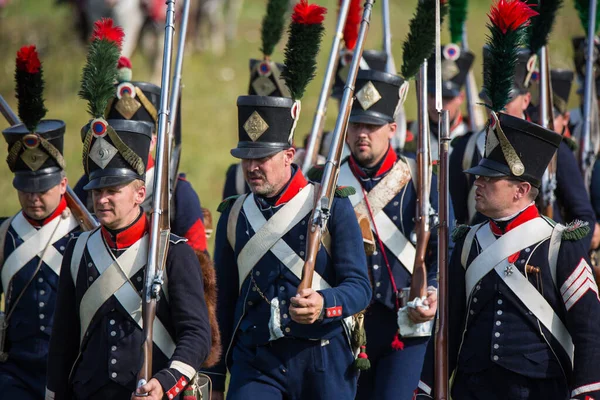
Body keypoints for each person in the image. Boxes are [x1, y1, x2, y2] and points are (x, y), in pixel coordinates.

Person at [206, 3, 372, 397]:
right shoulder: (234, 215)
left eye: (262, 158)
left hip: (324, 357)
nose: (252, 168)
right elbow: (225, 300)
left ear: (289, 155)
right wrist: (213, 377)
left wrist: (323, 303)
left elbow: (359, 286)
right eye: (246, 159)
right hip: (256, 359)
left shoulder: (330, 203)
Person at [45, 22, 213, 400]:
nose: (102, 199)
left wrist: (168, 381)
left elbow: (197, 334)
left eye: (113, 191)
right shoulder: (77, 251)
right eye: (97, 190)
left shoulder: (173, 251)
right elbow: (63, 342)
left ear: (140, 193)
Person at [417, 110, 600, 400]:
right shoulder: (468, 243)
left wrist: (586, 393)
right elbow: (448, 326)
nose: (478, 183)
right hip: (473, 389)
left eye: (490, 179)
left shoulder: (559, 244)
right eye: (479, 177)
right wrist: (426, 389)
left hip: (539, 391)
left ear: (521, 190)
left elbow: (589, 330)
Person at [311, 68, 453, 399]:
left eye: (372, 126)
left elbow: (444, 248)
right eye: (356, 125)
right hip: (341, 326)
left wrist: (431, 290)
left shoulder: (422, 177)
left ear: (391, 128)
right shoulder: (321, 182)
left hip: (405, 323)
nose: (363, 134)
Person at [0, 44, 83, 399]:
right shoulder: (4, 234)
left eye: (44, 188)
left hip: (69, 372)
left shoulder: (83, 234)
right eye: (27, 188)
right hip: (14, 372)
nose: (34, 197)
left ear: (63, 184)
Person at [450, 47, 596, 248]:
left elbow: (583, 217)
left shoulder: (552, 149)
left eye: (506, 98)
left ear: (526, 100)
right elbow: (456, 220)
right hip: (481, 262)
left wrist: (561, 260)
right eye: (491, 98)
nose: (497, 105)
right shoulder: (464, 149)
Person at [73, 56, 210, 253]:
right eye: (118, 136)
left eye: (135, 136)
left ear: (153, 140)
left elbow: (197, 262)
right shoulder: (87, 186)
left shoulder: (179, 193)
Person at [404, 44, 474, 158]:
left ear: (461, 97)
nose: (438, 104)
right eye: (432, 95)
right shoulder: (407, 133)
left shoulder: (472, 132)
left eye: (446, 97)